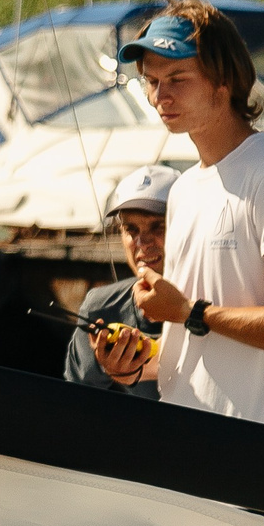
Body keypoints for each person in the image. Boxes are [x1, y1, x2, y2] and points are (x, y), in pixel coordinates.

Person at [118, 0, 264, 432]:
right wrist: (135, 365)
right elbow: (200, 343)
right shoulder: (182, 190)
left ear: (224, 83)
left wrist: (189, 311)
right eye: (152, 81)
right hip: (189, 453)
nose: (161, 95)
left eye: (178, 78)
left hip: (256, 465)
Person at [60, 165, 178, 399]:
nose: (142, 242)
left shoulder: (216, 300)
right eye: (130, 229)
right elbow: (77, 402)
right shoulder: (100, 308)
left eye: (158, 226)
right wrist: (106, 367)